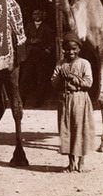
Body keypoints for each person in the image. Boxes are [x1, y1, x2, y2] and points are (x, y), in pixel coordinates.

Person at [51, 33, 96, 173]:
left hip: (79, 99)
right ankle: (70, 163)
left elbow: (88, 83)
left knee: (80, 129)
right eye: (68, 49)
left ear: (78, 49)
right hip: (64, 100)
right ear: (64, 49)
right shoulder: (60, 63)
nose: (71, 52)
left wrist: (72, 78)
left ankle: (81, 162)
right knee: (66, 130)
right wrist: (60, 77)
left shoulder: (84, 64)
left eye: (74, 49)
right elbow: (53, 82)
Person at [19, 9, 54, 106]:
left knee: (41, 78)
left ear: (42, 15)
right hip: (29, 56)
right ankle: (22, 100)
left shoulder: (46, 27)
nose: (36, 16)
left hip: (41, 56)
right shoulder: (29, 26)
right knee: (25, 78)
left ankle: (39, 101)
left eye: (39, 14)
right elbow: (23, 39)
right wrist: (32, 41)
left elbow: (51, 42)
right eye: (34, 14)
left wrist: (47, 50)